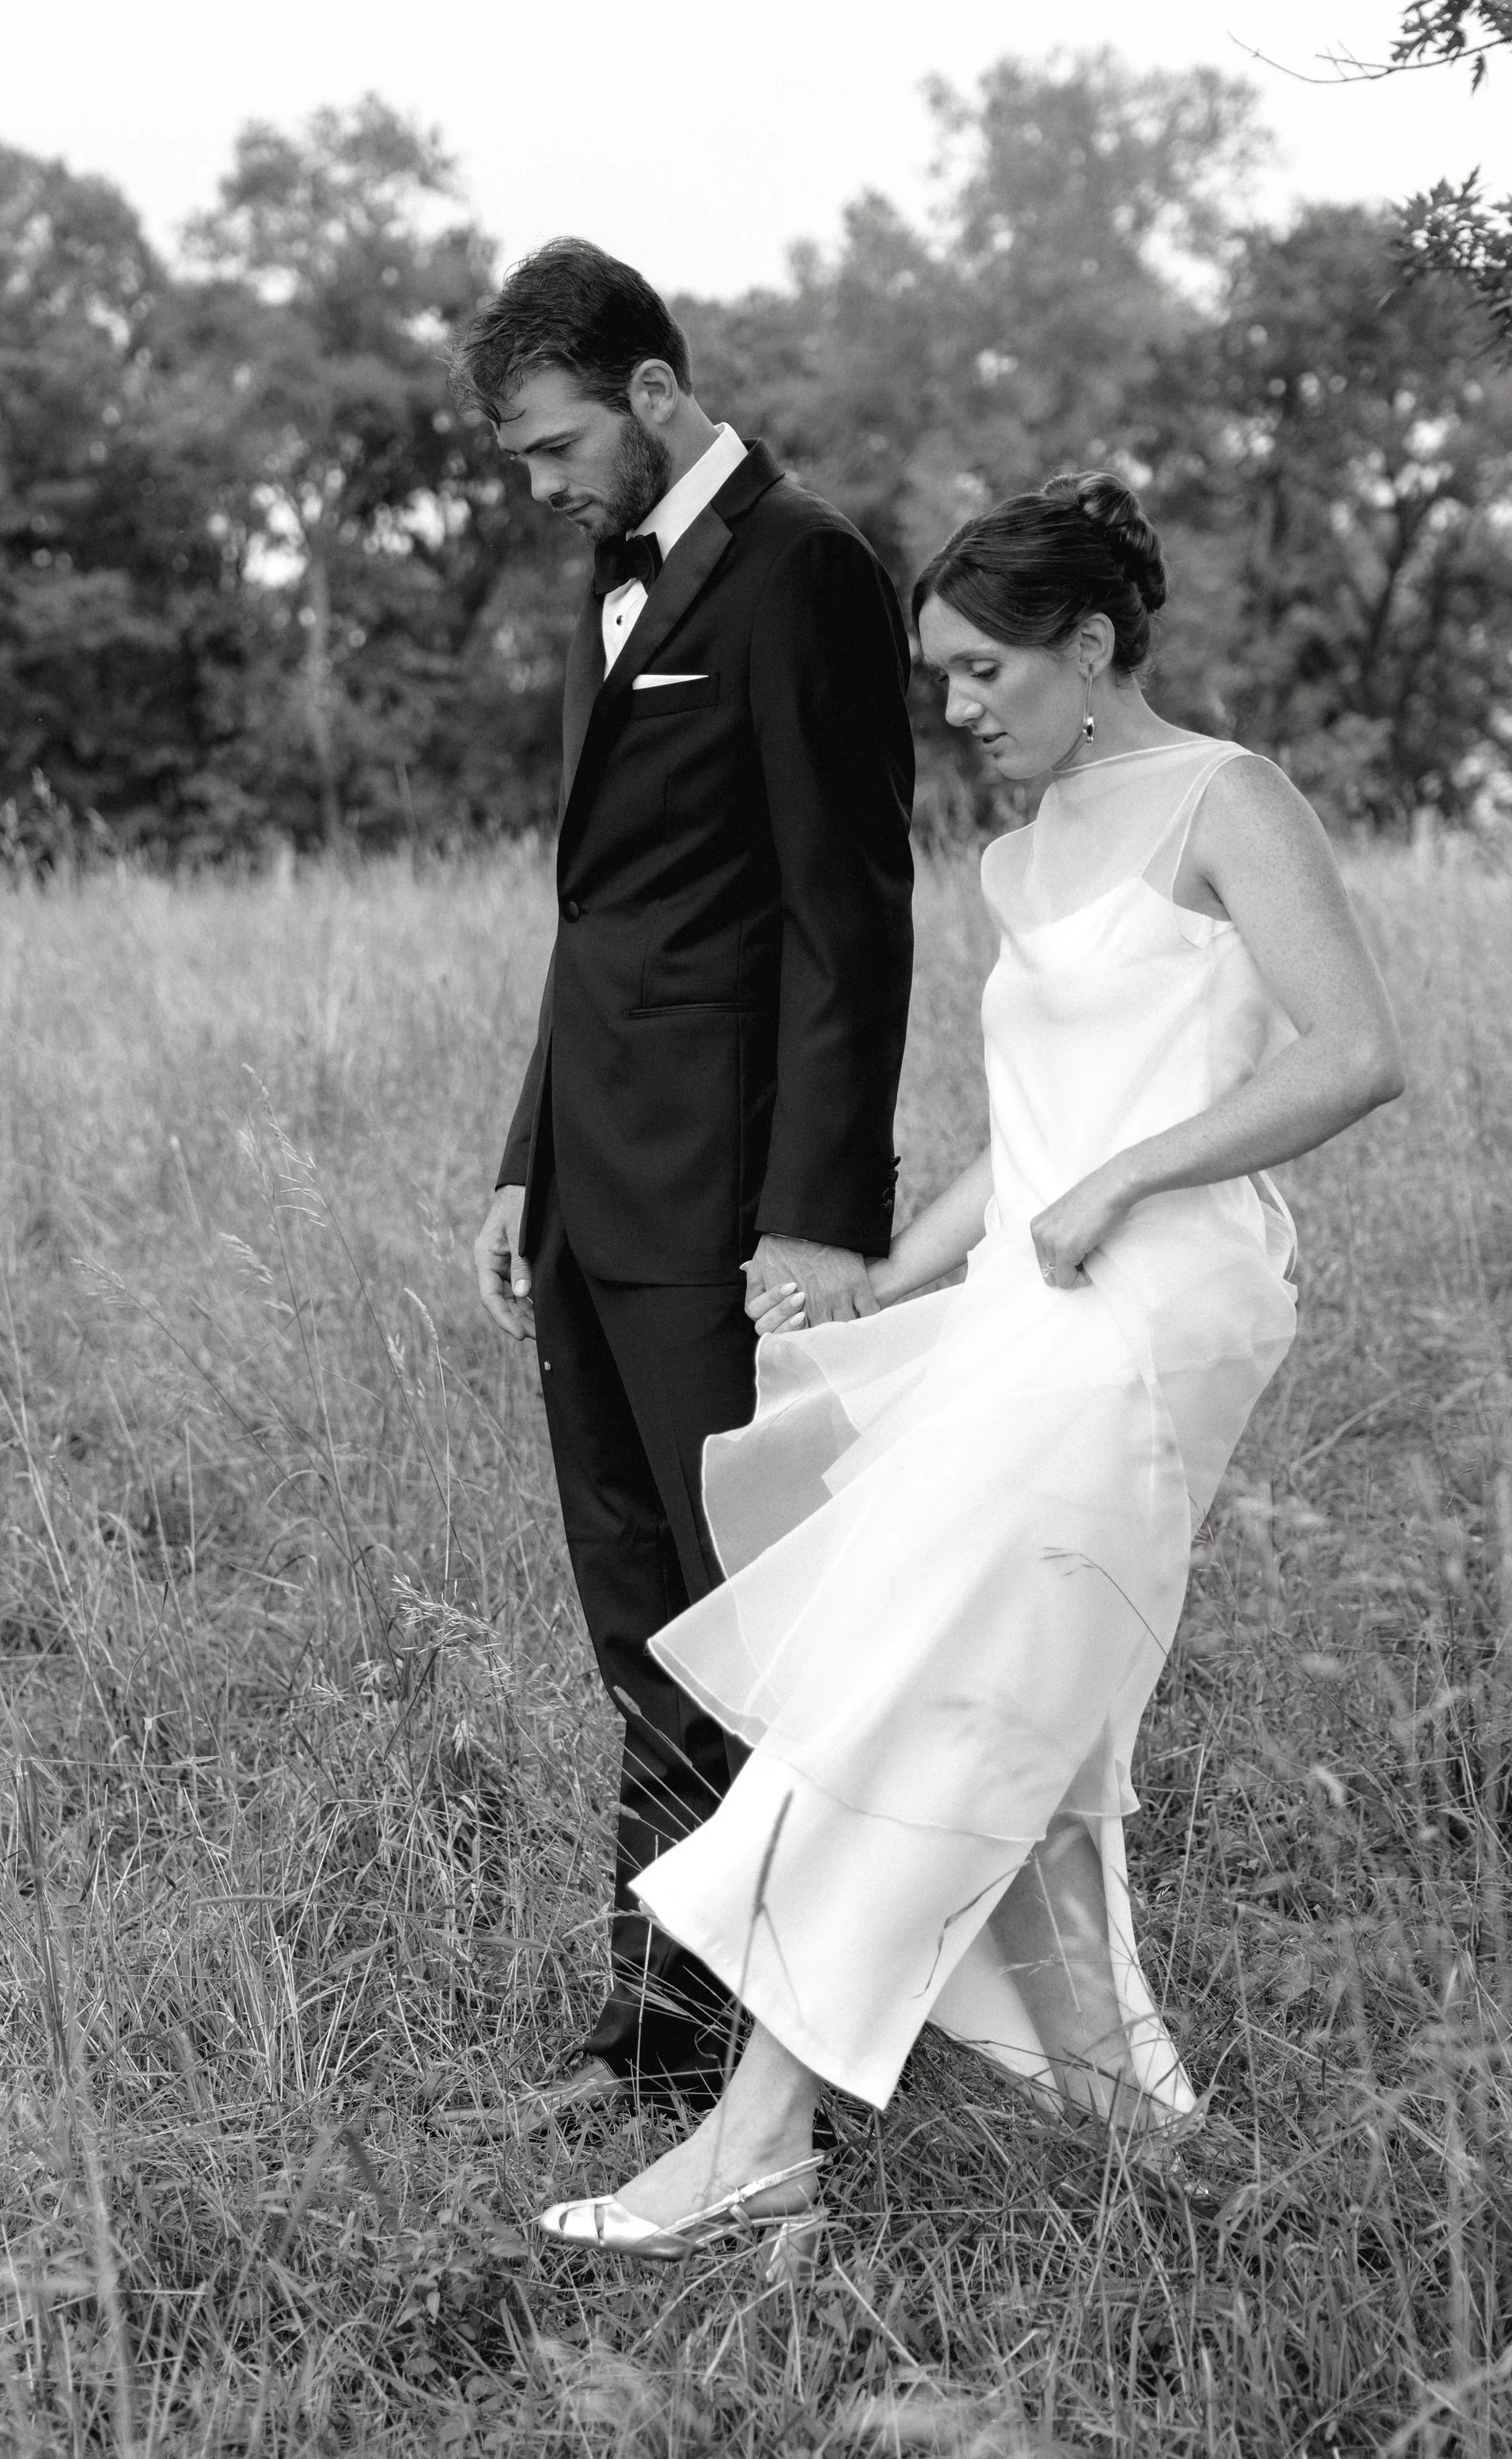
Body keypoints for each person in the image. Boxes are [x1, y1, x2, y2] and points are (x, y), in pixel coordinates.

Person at [536, 470, 1404, 2273]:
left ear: (1085, 649)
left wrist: (1123, 1177)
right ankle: (1125, 2115)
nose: (956, 707)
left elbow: (1353, 1055)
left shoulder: (1224, 799)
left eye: (982, 671)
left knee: (914, 1682)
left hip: (1160, 1310)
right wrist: (867, 1283)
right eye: (938, 676)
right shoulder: (1017, 859)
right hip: (1032, 1301)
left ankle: (756, 2134)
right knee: (1020, 1705)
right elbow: (1023, 1153)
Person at [456, 241, 915, 2131]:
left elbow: (849, 915)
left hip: (726, 1214)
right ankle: (657, 2022)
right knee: (639, 1626)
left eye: (558, 443)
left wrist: (815, 1218)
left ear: (651, 390)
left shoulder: (803, 572)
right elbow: (606, 918)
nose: (544, 487)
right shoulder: (608, 574)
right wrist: (518, 1157)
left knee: (757, 1626)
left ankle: (796, 2038)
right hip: (586, 1191)